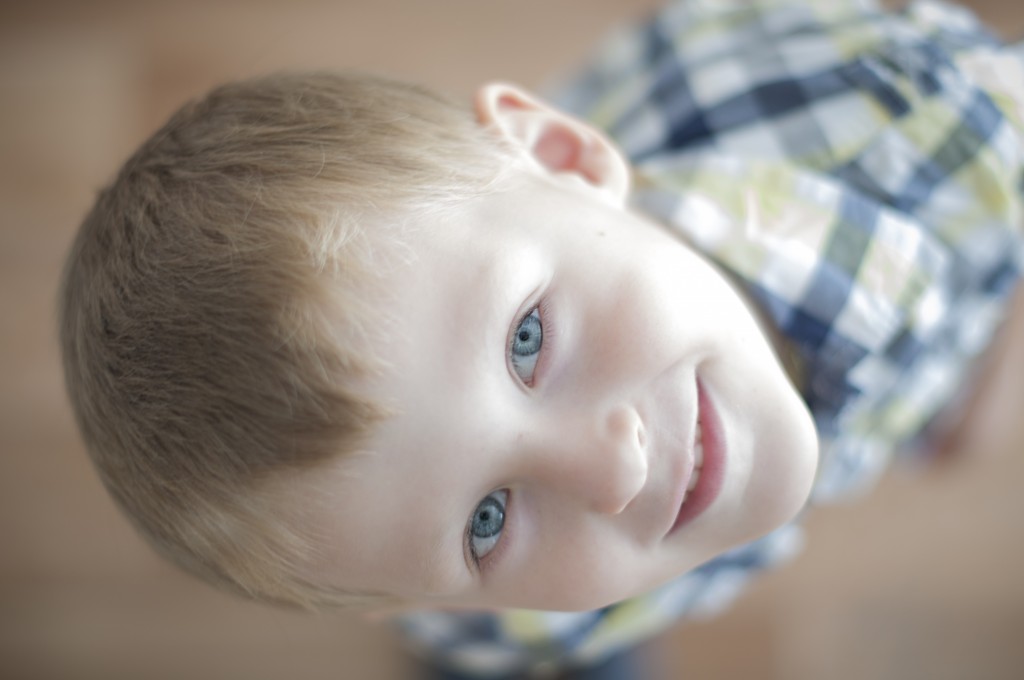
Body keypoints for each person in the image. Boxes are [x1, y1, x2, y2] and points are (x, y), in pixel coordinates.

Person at [58, 0, 1023, 677]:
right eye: (487, 521)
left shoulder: (944, 130)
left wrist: (993, 371)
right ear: (425, 604)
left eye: (528, 341)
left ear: (566, 156)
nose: (611, 471)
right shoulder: (501, 621)